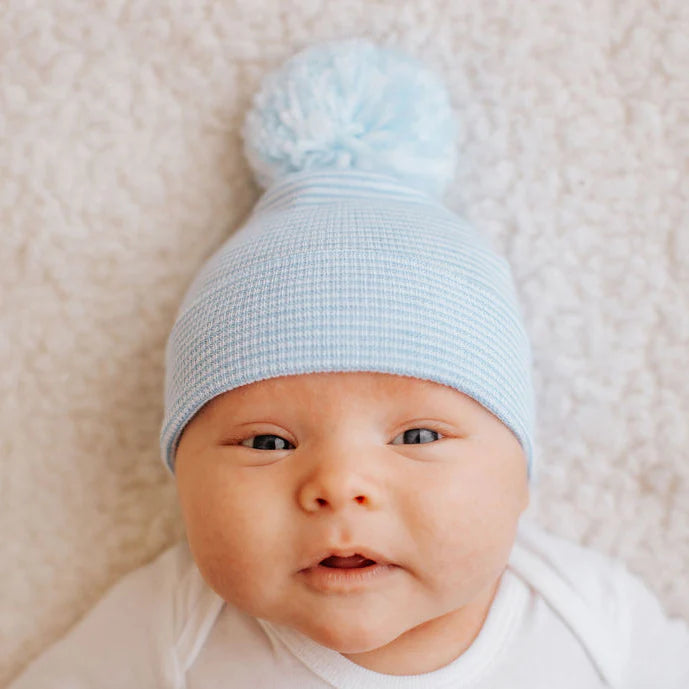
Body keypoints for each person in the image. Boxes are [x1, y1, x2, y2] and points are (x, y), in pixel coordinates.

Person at [9, 37, 689, 689]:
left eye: (417, 436)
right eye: (268, 441)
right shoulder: (173, 625)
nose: (339, 484)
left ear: (520, 474)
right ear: (179, 473)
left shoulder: (589, 619)